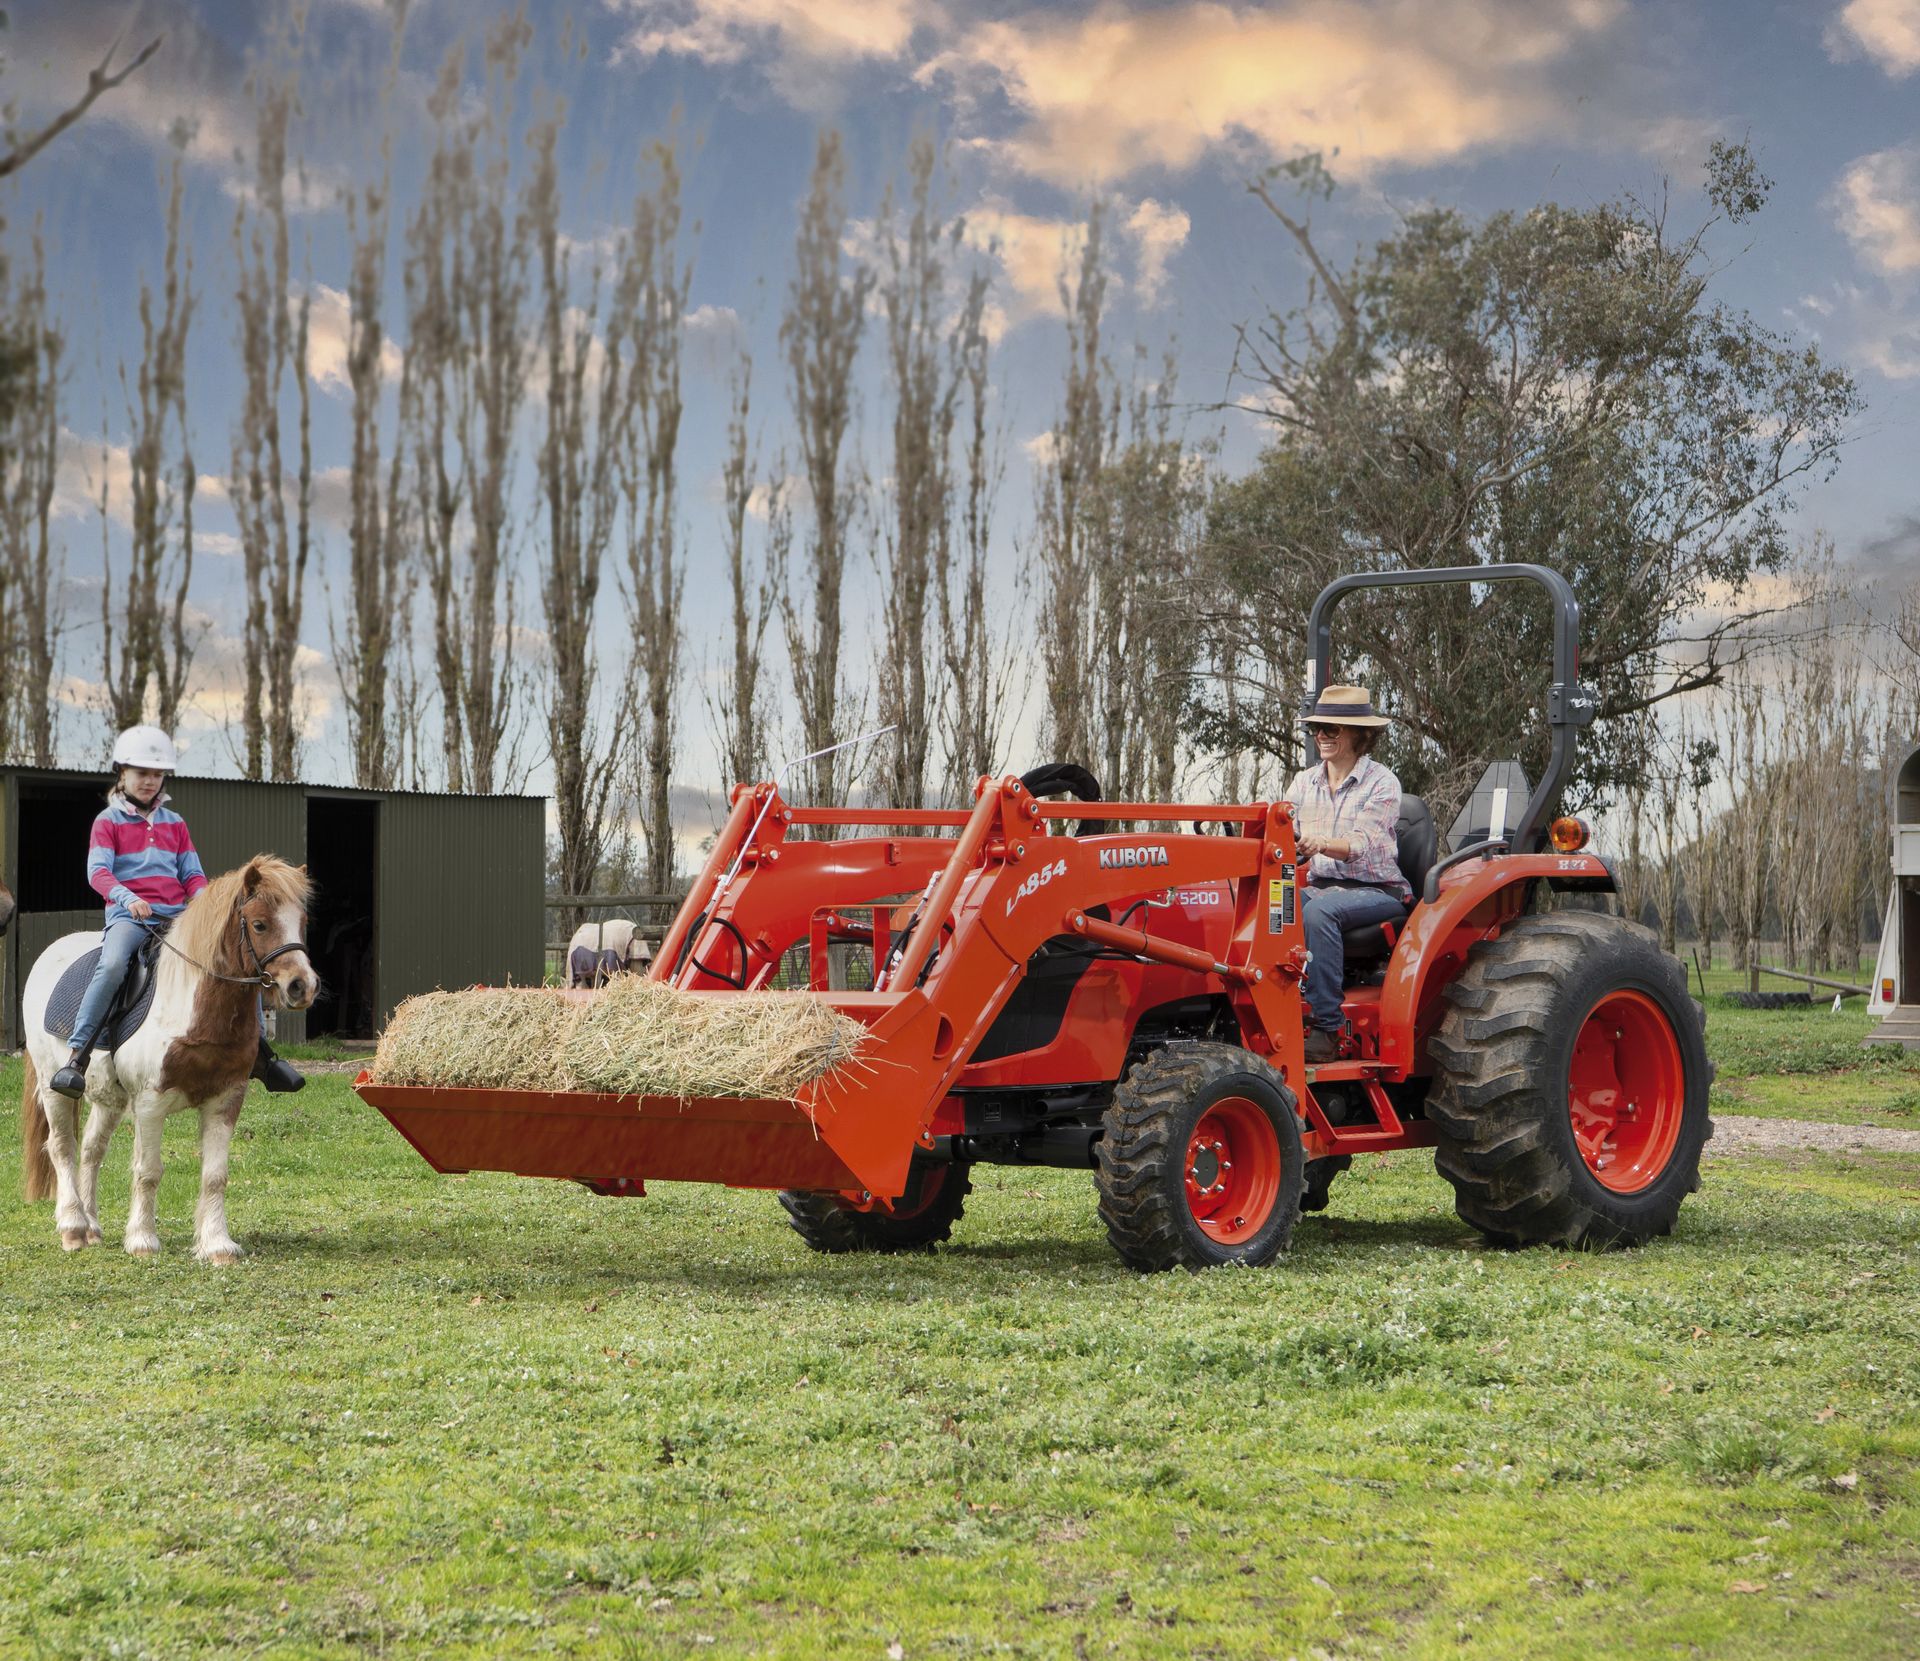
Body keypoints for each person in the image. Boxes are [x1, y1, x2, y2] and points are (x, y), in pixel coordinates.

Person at [49, 726, 305, 1098]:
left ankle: (265, 1057)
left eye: (157, 775)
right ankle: (77, 1055)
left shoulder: (175, 823)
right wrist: (126, 898)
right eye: (142, 773)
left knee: (235, 963)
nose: (150, 781)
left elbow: (192, 875)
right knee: (114, 963)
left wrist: (204, 907)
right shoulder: (108, 822)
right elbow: (98, 873)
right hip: (131, 917)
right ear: (122, 772)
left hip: (177, 918)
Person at [1285, 685, 1410, 1063]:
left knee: (1319, 913)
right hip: (1322, 885)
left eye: (1332, 729)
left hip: (1375, 891)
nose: (1321, 736)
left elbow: (1360, 843)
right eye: (1317, 728)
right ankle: (1275, 1012)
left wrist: (1320, 842)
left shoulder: (1383, 784)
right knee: (1274, 904)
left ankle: (1327, 1028)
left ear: (1360, 734)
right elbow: (1281, 821)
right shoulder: (1304, 783)